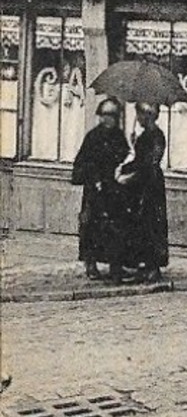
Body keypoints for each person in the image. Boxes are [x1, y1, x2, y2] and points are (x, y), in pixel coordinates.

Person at [70, 99, 130, 281]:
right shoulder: (93, 137)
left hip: (114, 189)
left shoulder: (119, 136)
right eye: (105, 115)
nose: (108, 119)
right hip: (95, 190)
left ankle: (115, 265)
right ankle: (91, 263)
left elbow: (124, 157)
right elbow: (82, 163)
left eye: (112, 115)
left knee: (116, 226)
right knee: (92, 227)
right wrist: (94, 177)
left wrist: (127, 154)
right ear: (100, 116)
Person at [116, 102, 170, 283]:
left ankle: (152, 268)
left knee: (151, 225)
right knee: (141, 225)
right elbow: (140, 160)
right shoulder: (146, 135)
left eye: (139, 115)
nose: (137, 119)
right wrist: (125, 164)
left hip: (150, 186)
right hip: (143, 185)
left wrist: (129, 178)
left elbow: (149, 164)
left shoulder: (156, 136)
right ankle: (144, 266)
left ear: (148, 115)